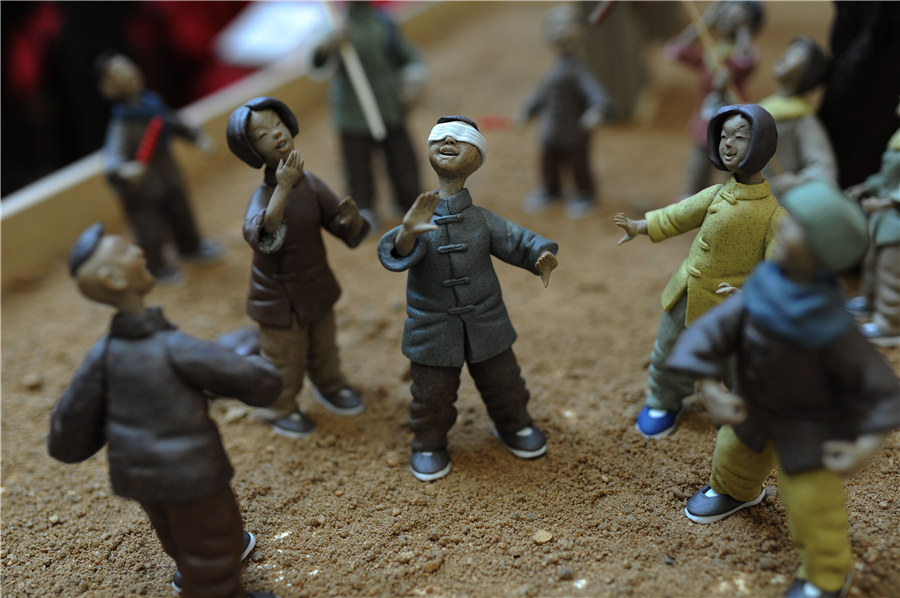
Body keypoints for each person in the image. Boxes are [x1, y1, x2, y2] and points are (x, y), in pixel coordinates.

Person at [668, 180, 900, 598]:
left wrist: (864, 446)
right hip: (752, 405)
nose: (785, 231)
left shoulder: (833, 326)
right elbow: (714, 331)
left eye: (798, 230)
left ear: (822, 254)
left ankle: (826, 573)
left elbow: (880, 388)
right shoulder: (762, 287)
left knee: (813, 503)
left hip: (809, 428)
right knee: (733, 454)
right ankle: (734, 491)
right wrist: (709, 385)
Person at [48, 223, 283, 598]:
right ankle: (214, 584)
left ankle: (193, 566)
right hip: (190, 475)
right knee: (213, 540)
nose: (139, 252)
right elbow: (255, 382)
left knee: (173, 529)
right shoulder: (172, 347)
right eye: (126, 252)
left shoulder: (102, 356)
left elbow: (67, 435)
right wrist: (265, 368)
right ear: (112, 279)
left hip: (140, 478)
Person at [377, 116, 559, 481]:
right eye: (440, 138)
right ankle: (428, 442)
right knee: (431, 394)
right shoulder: (419, 217)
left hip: (486, 322)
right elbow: (396, 253)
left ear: (476, 157)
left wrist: (540, 255)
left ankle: (515, 425)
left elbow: (519, 240)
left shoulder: (481, 220)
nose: (448, 142)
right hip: (431, 327)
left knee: (504, 381)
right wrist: (409, 233)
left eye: (459, 140)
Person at [615, 104, 785, 438]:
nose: (728, 144)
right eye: (723, 136)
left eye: (740, 137)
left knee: (736, 364)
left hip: (734, 310)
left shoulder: (774, 217)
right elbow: (679, 214)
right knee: (669, 348)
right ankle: (664, 399)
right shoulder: (717, 193)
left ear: (761, 145)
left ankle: (737, 409)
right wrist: (641, 225)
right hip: (687, 292)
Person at [226, 96, 370, 439]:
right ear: (253, 152)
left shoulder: (311, 183)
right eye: (263, 136)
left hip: (315, 285)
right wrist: (284, 185)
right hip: (278, 299)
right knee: (285, 359)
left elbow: (335, 220)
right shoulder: (263, 197)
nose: (276, 135)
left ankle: (330, 385)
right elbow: (262, 232)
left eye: (277, 124)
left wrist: (348, 220)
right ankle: (279, 407)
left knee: (324, 345)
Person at [96, 50, 223, 283]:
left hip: (168, 175)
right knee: (149, 230)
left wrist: (196, 137)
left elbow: (173, 122)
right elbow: (113, 157)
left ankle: (190, 247)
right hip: (142, 188)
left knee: (182, 214)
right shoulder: (122, 124)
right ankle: (157, 265)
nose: (128, 73)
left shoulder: (152, 104)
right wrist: (125, 170)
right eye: (118, 73)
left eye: (128, 66)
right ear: (109, 88)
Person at [311, 1, 427, 230]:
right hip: (353, 112)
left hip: (389, 105)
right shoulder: (334, 26)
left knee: (403, 160)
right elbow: (317, 63)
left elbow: (408, 57)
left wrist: (411, 80)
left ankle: (409, 201)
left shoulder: (383, 22)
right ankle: (363, 210)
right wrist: (328, 45)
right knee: (358, 168)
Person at [518, 3, 612, 219]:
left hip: (574, 132)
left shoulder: (579, 70)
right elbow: (541, 94)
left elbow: (597, 95)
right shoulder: (554, 68)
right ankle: (552, 192)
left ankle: (585, 194)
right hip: (551, 130)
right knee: (548, 163)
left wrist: (595, 112)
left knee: (579, 166)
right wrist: (527, 111)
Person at [665, 1, 763, 197]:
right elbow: (675, 50)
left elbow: (746, 61)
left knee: (731, 171)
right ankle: (690, 205)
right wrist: (703, 23)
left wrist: (744, 31)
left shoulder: (740, 53)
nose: (728, 17)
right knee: (697, 169)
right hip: (704, 121)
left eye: (736, 16)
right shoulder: (710, 52)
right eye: (725, 13)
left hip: (733, 123)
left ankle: (731, 208)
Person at [844, 97, 900, 347]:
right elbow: (887, 177)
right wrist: (866, 186)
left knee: (892, 272)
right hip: (884, 220)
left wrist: (884, 202)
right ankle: (870, 303)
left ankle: (890, 322)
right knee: (872, 264)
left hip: (896, 223)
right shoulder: (896, 137)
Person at [759, 37, 837, 197]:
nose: (784, 56)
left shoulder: (803, 120)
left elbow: (824, 169)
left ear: (809, 71)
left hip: (774, 201)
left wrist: (794, 181)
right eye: (786, 51)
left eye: (794, 54)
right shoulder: (763, 108)